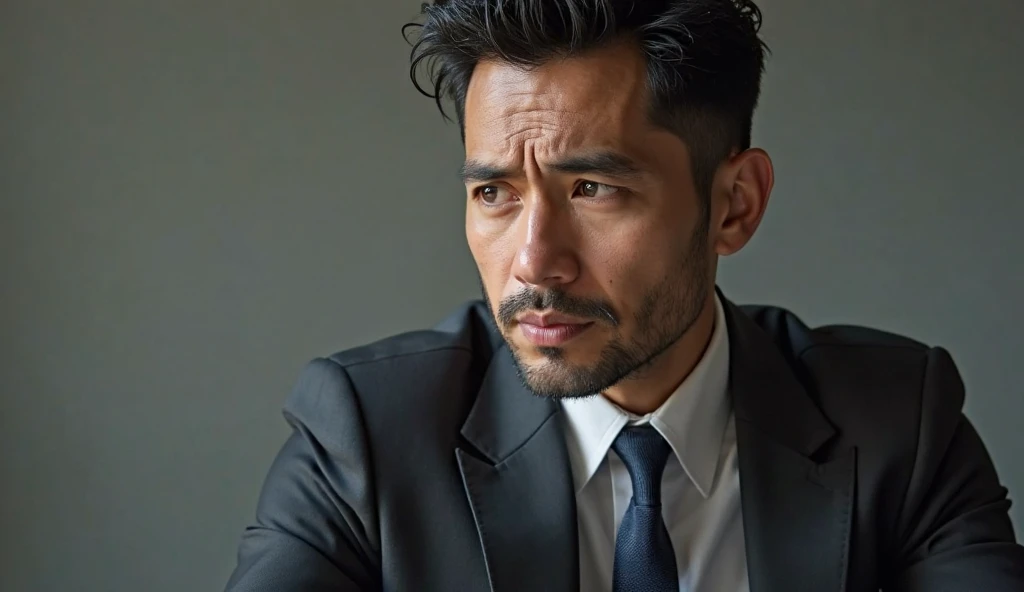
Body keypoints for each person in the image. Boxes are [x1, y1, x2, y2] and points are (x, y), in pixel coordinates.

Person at [224, 1, 1024, 590]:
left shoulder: (895, 423)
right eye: (495, 194)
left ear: (735, 205)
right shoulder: (365, 435)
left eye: (594, 188)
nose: (535, 264)